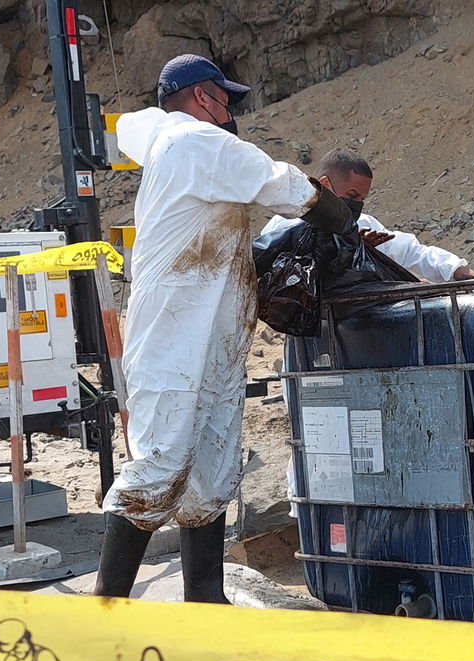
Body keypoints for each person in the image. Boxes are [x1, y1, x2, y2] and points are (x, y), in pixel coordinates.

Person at [95, 54, 349, 604]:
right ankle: (105, 607)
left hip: (212, 336)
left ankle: (205, 600)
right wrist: (334, 210)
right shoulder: (197, 145)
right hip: (172, 337)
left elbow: (136, 125)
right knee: (159, 465)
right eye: (223, 96)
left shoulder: (161, 134)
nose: (230, 108)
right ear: (198, 96)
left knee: (210, 471)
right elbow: (286, 187)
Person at [260, 148, 474, 282]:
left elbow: (408, 251)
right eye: (352, 195)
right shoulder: (283, 227)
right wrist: (344, 252)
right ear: (325, 184)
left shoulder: (361, 226)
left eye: (362, 199)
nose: (357, 205)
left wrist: (454, 268)